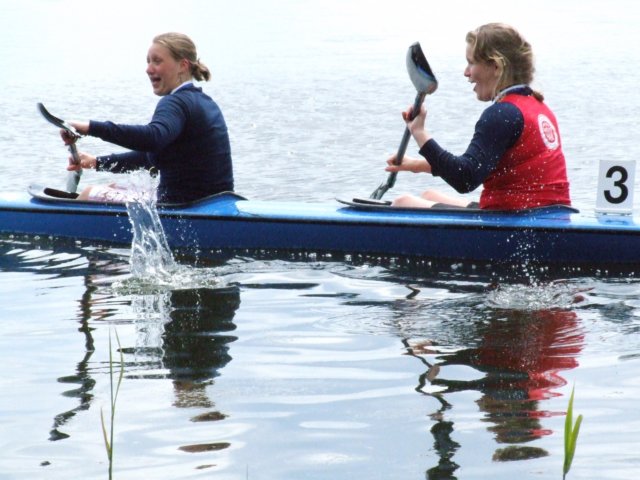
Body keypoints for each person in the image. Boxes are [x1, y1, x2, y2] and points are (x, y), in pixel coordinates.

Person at [385, 23, 571, 210]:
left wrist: (419, 132)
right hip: (547, 214)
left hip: (518, 222)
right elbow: (477, 166)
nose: (466, 73)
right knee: (429, 195)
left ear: (496, 67)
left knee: (402, 203)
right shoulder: (537, 106)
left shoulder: (502, 113)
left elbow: (465, 178)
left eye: (471, 63)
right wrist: (415, 165)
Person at [61, 32, 233, 204]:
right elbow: (150, 156)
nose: (148, 69)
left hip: (186, 209)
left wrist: (91, 127)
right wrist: (96, 162)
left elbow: (152, 138)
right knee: (113, 188)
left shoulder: (175, 103)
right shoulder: (206, 103)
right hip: (218, 203)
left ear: (183, 65)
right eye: (148, 61)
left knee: (89, 193)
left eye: (157, 61)